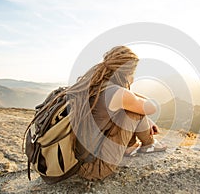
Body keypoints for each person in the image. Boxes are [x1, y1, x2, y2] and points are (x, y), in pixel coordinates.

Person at [65, 46, 167, 180]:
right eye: (133, 72)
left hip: (74, 160)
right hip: (93, 168)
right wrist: (127, 90)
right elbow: (152, 107)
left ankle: (128, 147)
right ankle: (149, 145)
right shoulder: (118, 93)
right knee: (134, 112)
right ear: (126, 72)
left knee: (129, 109)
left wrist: (127, 94)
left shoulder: (93, 85)